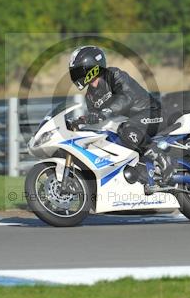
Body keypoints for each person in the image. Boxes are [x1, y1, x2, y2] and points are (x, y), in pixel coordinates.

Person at [68, 45, 172, 192]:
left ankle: (163, 159)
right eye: (75, 73)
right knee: (111, 142)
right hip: (133, 125)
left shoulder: (113, 74)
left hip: (152, 113)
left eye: (79, 71)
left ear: (93, 66)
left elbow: (126, 98)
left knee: (127, 129)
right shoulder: (90, 96)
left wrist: (105, 111)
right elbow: (97, 119)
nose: (77, 76)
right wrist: (82, 122)